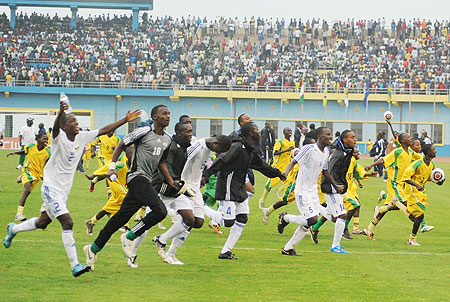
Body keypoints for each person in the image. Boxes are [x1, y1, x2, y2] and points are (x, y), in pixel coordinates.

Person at [3, 102, 140, 277]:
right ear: (64, 126)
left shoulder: (82, 137)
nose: (76, 124)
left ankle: (13, 229)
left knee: (43, 222)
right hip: (50, 188)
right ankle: (75, 264)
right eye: (72, 122)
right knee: (68, 222)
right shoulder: (58, 138)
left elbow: (103, 130)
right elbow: (54, 129)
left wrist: (125, 120)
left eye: (77, 121)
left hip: (63, 191)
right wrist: (60, 112)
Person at [83, 104, 174, 271]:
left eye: (169, 113)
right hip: (136, 177)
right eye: (164, 114)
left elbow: (161, 162)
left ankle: (92, 249)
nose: (168, 116)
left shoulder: (168, 138)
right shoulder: (144, 131)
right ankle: (130, 236)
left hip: (146, 180)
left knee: (119, 219)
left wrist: (171, 181)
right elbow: (121, 144)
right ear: (155, 117)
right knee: (160, 211)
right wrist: (111, 167)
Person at [201, 122, 286, 260]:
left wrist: (278, 173)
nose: (259, 132)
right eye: (257, 130)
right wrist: (206, 174)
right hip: (228, 186)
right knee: (228, 222)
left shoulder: (250, 148)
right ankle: (201, 207)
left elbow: (262, 165)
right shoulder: (237, 146)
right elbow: (222, 160)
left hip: (239, 187)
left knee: (242, 218)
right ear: (251, 133)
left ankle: (225, 251)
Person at [153, 133, 232, 265]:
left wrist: (201, 178)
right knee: (188, 219)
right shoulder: (196, 147)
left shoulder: (208, 148)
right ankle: (169, 251)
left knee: (198, 222)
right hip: (185, 187)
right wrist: (176, 181)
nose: (216, 153)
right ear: (216, 144)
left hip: (195, 189)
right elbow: (179, 161)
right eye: (218, 150)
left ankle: (163, 240)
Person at [277, 127, 344, 256]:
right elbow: (293, 161)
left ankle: (288, 248)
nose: (330, 137)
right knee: (312, 220)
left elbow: (325, 171)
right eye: (327, 135)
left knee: (309, 222)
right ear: (319, 136)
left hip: (313, 191)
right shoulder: (309, 148)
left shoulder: (326, 151)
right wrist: (285, 173)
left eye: (331, 135)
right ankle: (285, 218)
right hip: (302, 191)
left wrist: (335, 186)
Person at [363, 133, 422, 240]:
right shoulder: (397, 152)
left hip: (402, 184)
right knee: (404, 203)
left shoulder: (410, 152)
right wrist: (371, 165)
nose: (410, 139)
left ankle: (370, 227)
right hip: (395, 183)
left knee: (389, 208)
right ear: (403, 141)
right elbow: (383, 160)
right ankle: (414, 219)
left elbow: (421, 158)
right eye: (408, 137)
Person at [84, 150, 132, 238]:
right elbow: (108, 169)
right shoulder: (121, 163)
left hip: (125, 187)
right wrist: (94, 176)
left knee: (109, 207)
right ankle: (125, 225)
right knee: (127, 200)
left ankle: (91, 222)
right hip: (117, 185)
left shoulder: (136, 162)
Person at [402, 144, 443, 245]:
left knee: (417, 216)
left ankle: (412, 238)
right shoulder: (417, 163)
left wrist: (439, 181)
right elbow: (405, 177)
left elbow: (430, 177)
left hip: (420, 192)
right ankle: (421, 228)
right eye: (434, 150)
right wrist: (417, 185)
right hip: (411, 190)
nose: (436, 151)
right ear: (428, 152)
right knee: (421, 210)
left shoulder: (432, 164)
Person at [6, 133, 50, 221]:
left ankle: (22, 178)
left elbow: (48, 164)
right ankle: (19, 214)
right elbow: (24, 151)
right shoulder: (31, 146)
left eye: (47, 139)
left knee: (28, 192)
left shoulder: (47, 152)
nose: (46, 141)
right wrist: (14, 152)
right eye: (44, 139)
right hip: (28, 170)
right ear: (37, 140)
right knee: (26, 190)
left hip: (37, 175)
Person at [259, 127, 294, 209]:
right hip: (278, 166)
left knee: (290, 180)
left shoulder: (292, 142)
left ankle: (279, 190)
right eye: (288, 130)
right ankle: (262, 199)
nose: (290, 132)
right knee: (270, 184)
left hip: (287, 166)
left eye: (291, 130)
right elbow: (275, 152)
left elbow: (291, 153)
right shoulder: (280, 142)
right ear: (284, 132)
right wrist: (287, 150)